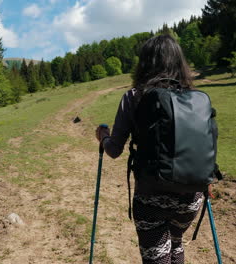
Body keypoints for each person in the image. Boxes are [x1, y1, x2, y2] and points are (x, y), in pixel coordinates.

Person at [95, 35, 207, 264]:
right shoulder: (194, 98)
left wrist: (103, 136)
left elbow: (115, 149)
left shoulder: (134, 97)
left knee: (158, 254)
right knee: (175, 243)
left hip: (151, 195)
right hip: (191, 195)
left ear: (144, 63)